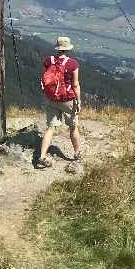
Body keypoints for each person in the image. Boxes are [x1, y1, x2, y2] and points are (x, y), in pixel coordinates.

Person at [34, 36, 81, 170]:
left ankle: (42, 157)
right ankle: (77, 154)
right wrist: (78, 101)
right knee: (73, 127)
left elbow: (46, 78)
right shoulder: (73, 64)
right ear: (68, 49)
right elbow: (75, 84)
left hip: (51, 99)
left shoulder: (49, 60)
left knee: (50, 128)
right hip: (67, 100)